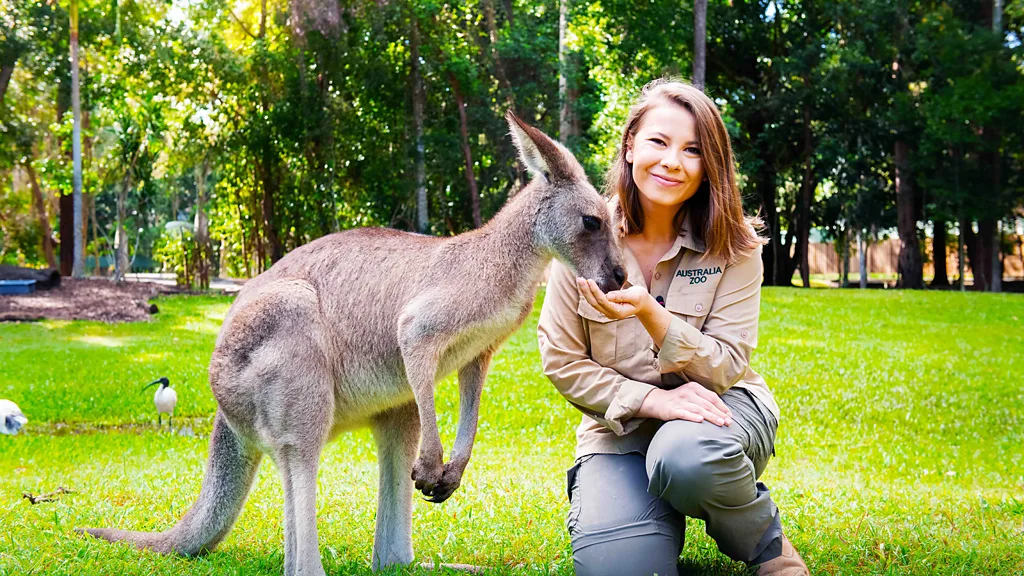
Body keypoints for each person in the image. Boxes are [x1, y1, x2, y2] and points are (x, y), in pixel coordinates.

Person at [537, 79, 809, 576]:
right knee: (620, 568)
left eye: (692, 151)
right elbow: (562, 361)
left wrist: (650, 312)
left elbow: (727, 365)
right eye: (658, 142)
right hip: (620, 430)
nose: (671, 162)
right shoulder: (579, 238)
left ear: (710, 168)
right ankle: (643, 510)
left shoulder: (736, 247)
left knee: (686, 456)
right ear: (630, 145)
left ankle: (773, 556)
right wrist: (653, 402)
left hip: (719, 414)